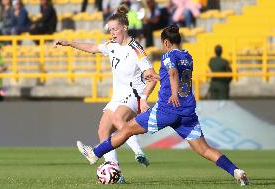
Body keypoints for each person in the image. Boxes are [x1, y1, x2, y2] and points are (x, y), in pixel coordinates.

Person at [77, 24, 249, 186]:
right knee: (204, 149)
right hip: (187, 112)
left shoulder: (168, 56)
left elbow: (173, 73)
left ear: (166, 42)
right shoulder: (187, 56)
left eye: (162, 43)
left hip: (167, 109)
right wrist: (163, 80)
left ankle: (95, 154)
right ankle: (236, 172)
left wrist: (173, 92)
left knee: (127, 129)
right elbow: (177, 76)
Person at [54, 5, 157, 183]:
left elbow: (152, 76)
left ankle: (138, 151)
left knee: (119, 119)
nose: (112, 33)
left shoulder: (137, 50)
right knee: (103, 130)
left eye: (115, 29)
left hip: (134, 94)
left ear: (125, 27)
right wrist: (70, 43)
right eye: (110, 30)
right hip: (118, 95)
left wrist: (144, 98)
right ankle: (115, 172)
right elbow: (93, 47)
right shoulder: (111, 46)